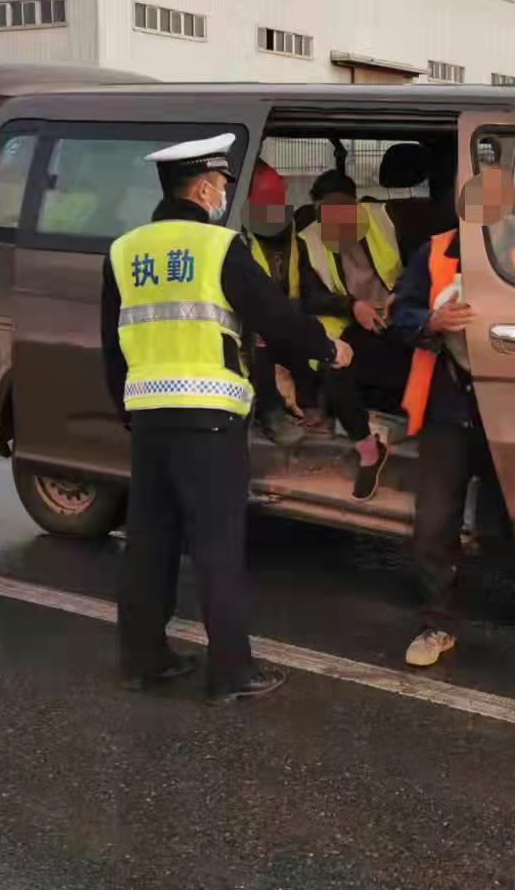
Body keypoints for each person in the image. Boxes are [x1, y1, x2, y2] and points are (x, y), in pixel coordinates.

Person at [101, 134, 353, 702]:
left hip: (149, 418)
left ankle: (143, 661)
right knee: (218, 545)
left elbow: (112, 346)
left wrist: (129, 411)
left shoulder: (124, 250)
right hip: (209, 419)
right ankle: (231, 672)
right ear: (202, 189)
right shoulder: (218, 247)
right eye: (219, 186)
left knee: (150, 542)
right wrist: (327, 349)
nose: (222, 196)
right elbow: (275, 314)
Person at [390, 167, 515, 679]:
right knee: (434, 524)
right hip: (449, 408)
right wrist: (430, 322)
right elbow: (400, 313)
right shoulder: (435, 252)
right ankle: (437, 625)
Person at [296, 169, 414, 501]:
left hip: (398, 315)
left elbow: (425, 262)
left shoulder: (387, 219)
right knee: (335, 367)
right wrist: (352, 306)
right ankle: (369, 452)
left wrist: (402, 294)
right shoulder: (307, 239)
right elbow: (309, 295)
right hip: (351, 323)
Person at [243, 159, 310, 447]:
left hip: (289, 310)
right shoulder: (236, 236)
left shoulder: (291, 227)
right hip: (253, 319)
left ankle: (305, 402)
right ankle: (270, 413)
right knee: (259, 342)